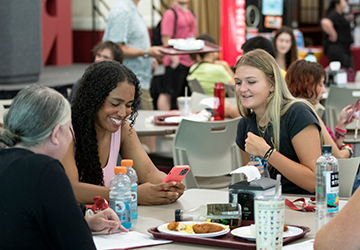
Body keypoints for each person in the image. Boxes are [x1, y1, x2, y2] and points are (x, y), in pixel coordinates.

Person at [0, 85, 127, 249]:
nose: (71, 136)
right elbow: (81, 245)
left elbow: (21, 223)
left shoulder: (8, 162)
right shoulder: (44, 170)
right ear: (55, 134)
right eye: (69, 128)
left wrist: (84, 222)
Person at [61, 61, 185, 205]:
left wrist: (167, 187)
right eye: (115, 104)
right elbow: (71, 190)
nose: (122, 113)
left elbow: (149, 173)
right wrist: (130, 195)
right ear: (93, 99)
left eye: (129, 105)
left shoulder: (123, 128)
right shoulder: (66, 131)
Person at [235, 49, 322, 194]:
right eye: (238, 82)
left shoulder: (297, 113)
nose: (242, 89)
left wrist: (267, 152)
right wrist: (253, 173)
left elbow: (315, 182)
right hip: (268, 206)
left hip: (305, 206)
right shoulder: (245, 125)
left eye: (251, 82)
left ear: (272, 84)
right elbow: (254, 186)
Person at [102, 0, 164, 111]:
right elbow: (115, 49)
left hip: (138, 82)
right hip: (127, 84)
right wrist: (147, 53)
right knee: (141, 124)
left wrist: (150, 58)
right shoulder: (122, 10)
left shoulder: (131, 9)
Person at [286, 60, 354, 159]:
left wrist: (341, 125)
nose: (324, 90)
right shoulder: (306, 113)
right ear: (307, 84)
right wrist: (349, 150)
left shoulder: (293, 110)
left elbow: (331, 149)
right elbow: (337, 156)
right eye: (321, 84)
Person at [157, 0, 198, 110]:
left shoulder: (191, 13)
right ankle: (164, 123)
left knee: (185, 95)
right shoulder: (171, 13)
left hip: (190, 62)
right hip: (175, 61)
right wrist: (175, 60)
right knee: (168, 93)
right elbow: (166, 38)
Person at [321, 0, 353, 69]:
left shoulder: (341, 14)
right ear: (337, 4)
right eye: (344, 1)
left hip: (344, 48)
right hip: (337, 49)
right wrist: (333, 34)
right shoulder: (334, 14)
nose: (345, 2)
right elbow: (325, 22)